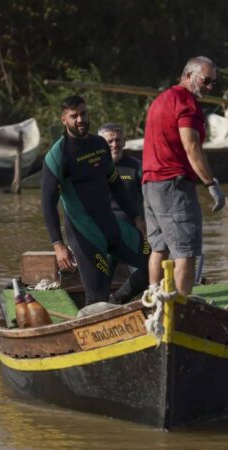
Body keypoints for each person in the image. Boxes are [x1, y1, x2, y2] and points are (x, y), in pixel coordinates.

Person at [41, 95, 149, 306]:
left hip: (113, 228)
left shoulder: (100, 144)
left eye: (83, 114)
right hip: (86, 236)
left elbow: (115, 183)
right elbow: (47, 202)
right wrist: (58, 245)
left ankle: (118, 303)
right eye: (74, 116)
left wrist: (136, 216)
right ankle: (96, 330)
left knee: (153, 262)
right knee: (97, 295)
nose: (80, 120)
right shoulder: (57, 155)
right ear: (64, 119)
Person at [142, 56, 225, 296]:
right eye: (206, 80)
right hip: (173, 186)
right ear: (188, 76)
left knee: (159, 248)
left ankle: (153, 299)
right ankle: (180, 308)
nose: (210, 87)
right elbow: (192, 146)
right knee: (186, 251)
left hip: (150, 184)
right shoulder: (186, 103)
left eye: (214, 83)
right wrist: (211, 184)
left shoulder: (161, 100)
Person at [98, 123, 143, 223]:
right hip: (103, 227)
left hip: (133, 227)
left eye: (118, 140)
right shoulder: (93, 168)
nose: (114, 145)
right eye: (109, 141)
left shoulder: (137, 167)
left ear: (124, 142)